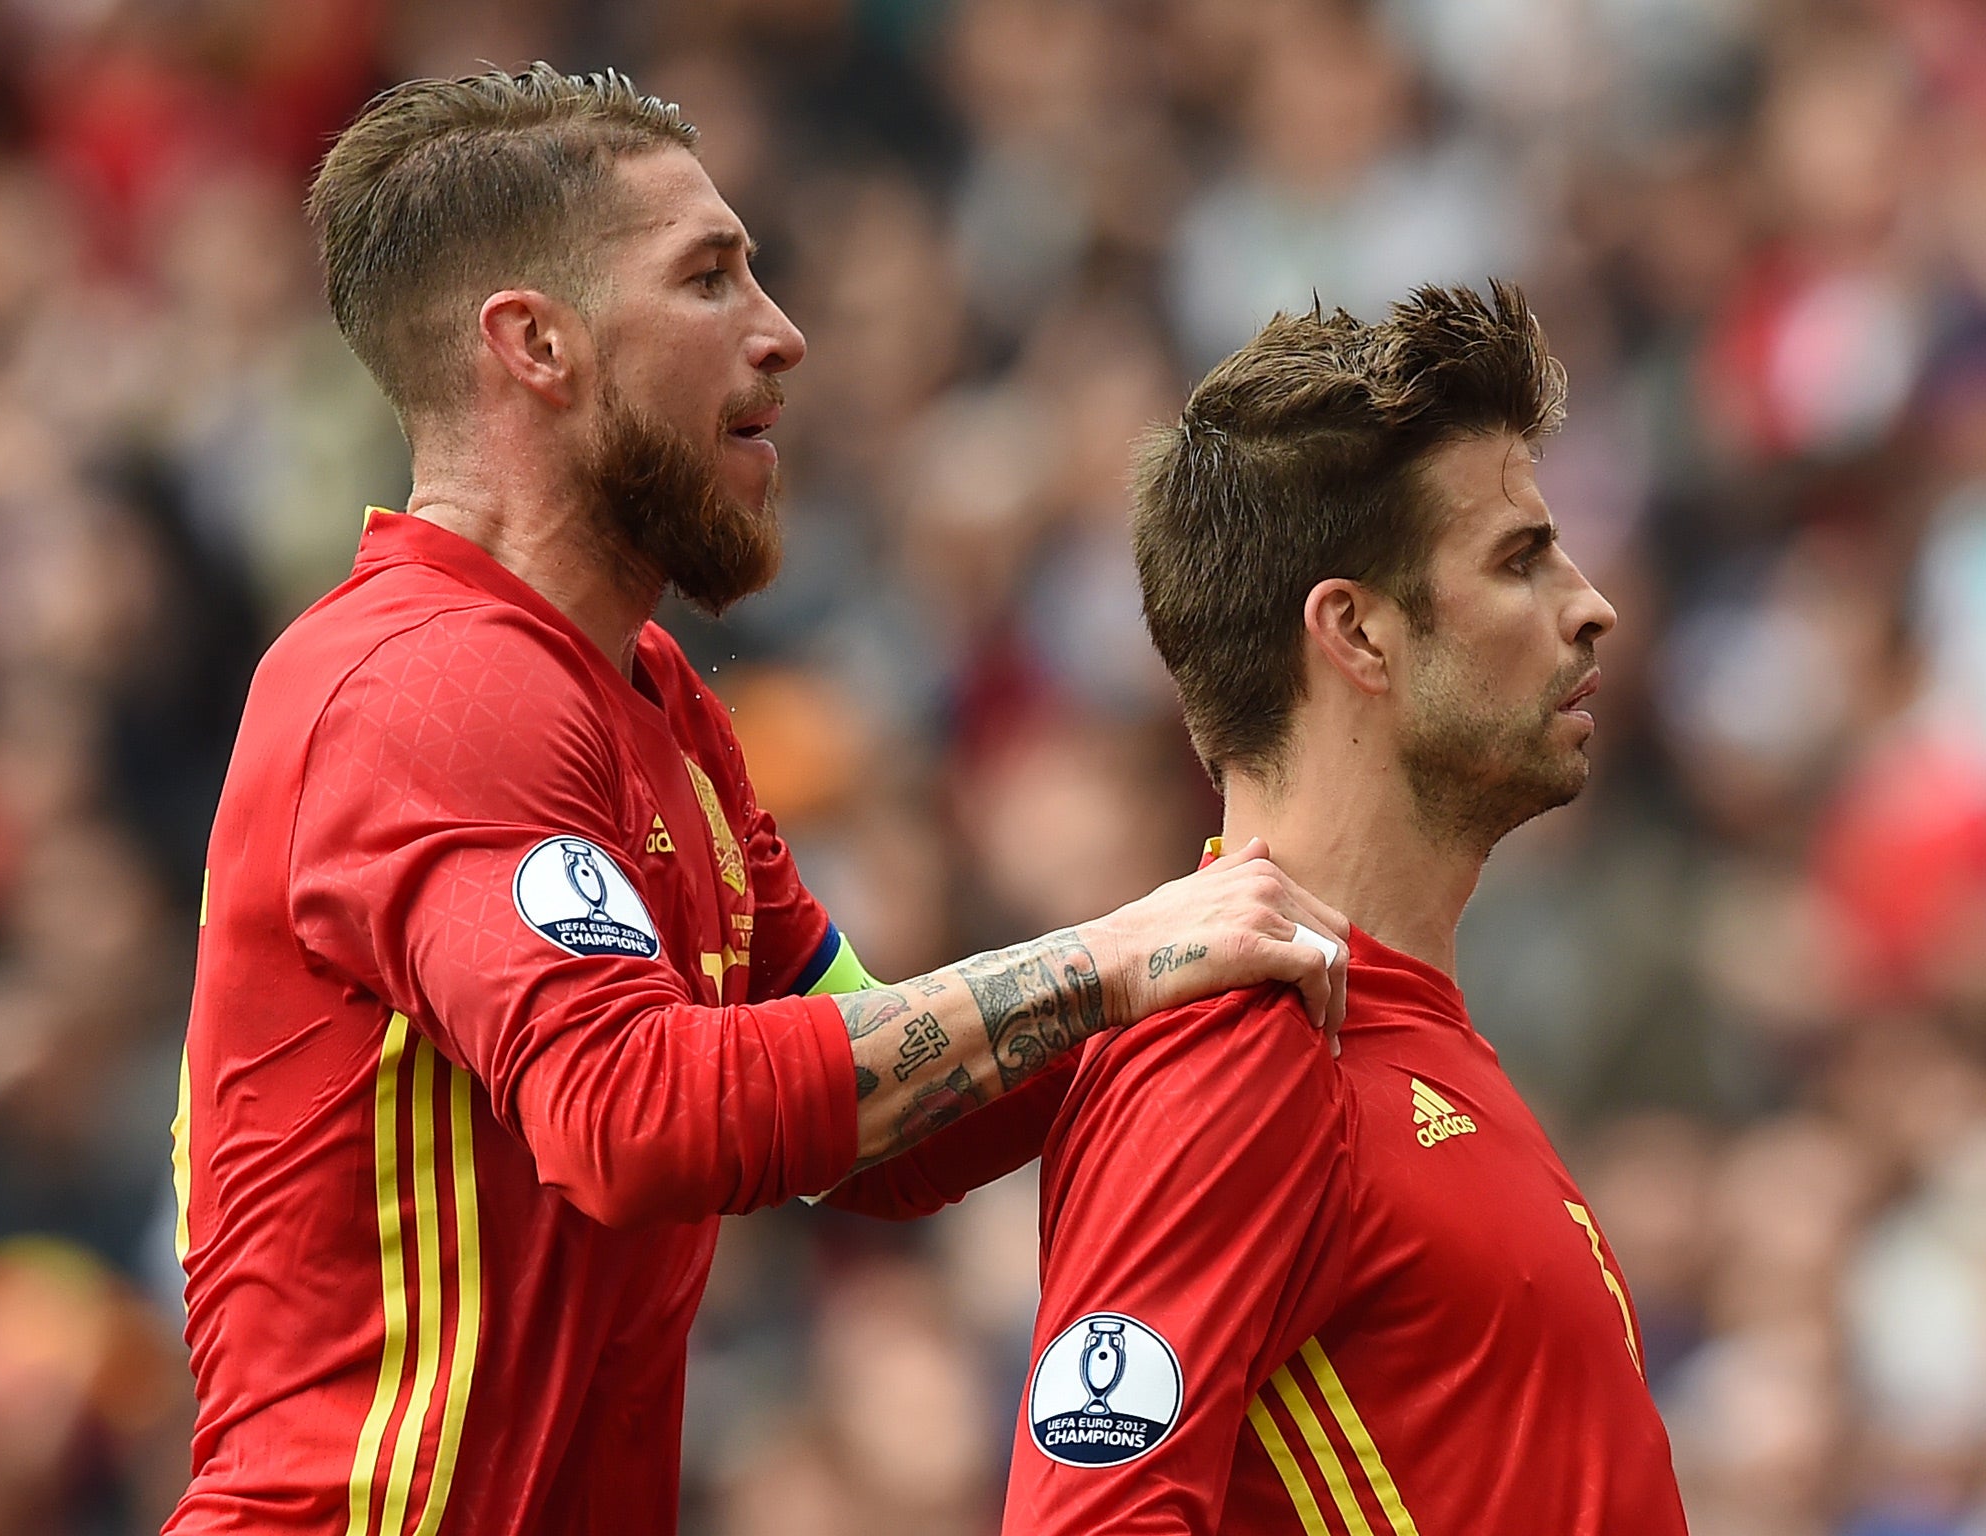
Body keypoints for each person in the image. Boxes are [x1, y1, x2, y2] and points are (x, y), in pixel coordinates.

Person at [164, 64, 1349, 1536]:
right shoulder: (424, 686)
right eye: (712, 278)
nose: (783, 334)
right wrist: (1120, 956)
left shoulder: (653, 697)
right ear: (537, 344)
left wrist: (1239, 949)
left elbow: (883, 1105)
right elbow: (630, 1118)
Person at [1000, 283, 1689, 1535]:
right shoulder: (1231, 1053)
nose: (1588, 604)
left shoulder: (1392, 1025)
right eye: (1519, 557)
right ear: (1357, 634)